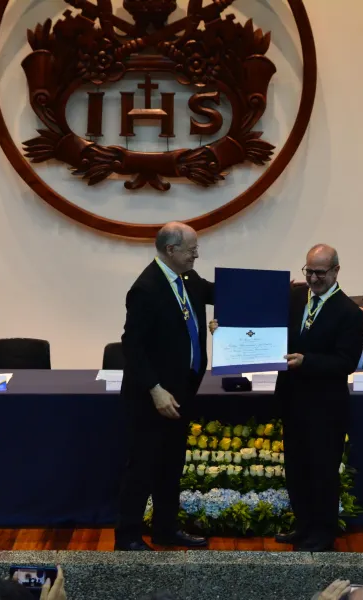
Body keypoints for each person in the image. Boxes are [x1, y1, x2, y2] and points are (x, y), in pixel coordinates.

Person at [114, 222, 213, 551]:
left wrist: (274, 290)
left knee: (171, 465)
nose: (196, 255)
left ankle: (165, 529)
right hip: (152, 398)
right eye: (191, 250)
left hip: (181, 391)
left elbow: (218, 292)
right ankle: (128, 536)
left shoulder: (187, 278)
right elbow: (133, 346)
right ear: (171, 250)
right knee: (142, 467)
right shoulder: (146, 288)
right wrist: (155, 389)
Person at [274, 244, 363, 551]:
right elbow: (267, 330)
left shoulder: (349, 312)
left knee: (323, 472)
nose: (313, 278)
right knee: (296, 469)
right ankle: (302, 526)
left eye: (320, 272)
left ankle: (323, 533)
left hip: (326, 407)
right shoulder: (295, 297)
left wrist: (307, 361)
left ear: (336, 271)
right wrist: (225, 331)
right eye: (309, 271)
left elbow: (345, 362)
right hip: (292, 400)